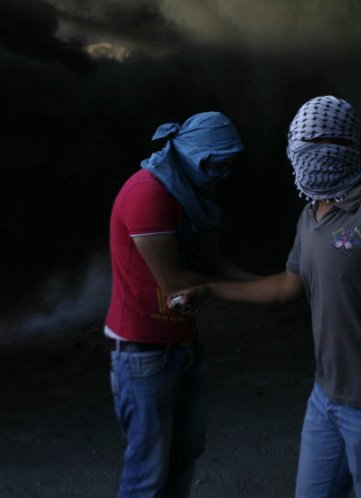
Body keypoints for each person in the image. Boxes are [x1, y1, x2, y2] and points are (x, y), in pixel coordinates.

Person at [171, 96, 361, 498]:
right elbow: (289, 286)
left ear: (341, 146)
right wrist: (212, 291)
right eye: (297, 145)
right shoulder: (311, 214)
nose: (301, 156)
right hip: (325, 402)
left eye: (312, 145)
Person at [104, 111, 255, 498]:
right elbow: (174, 284)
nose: (225, 173)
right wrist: (269, 292)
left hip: (183, 346)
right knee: (147, 475)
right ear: (197, 156)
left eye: (231, 166)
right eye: (220, 165)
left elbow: (215, 266)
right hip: (144, 355)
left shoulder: (195, 193)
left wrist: (275, 282)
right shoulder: (148, 193)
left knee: (183, 458)